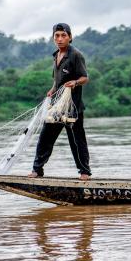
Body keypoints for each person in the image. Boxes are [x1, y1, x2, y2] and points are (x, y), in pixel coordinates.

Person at [29, 23, 92, 180]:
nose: (60, 38)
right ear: (53, 38)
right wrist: (52, 89)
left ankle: (84, 172)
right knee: (45, 137)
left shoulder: (76, 55)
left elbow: (85, 78)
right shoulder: (56, 55)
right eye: (57, 35)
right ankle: (37, 170)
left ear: (70, 37)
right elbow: (57, 80)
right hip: (57, 106)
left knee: (77, 141)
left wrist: (75, 83)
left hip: (73, 107)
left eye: (63, 35)